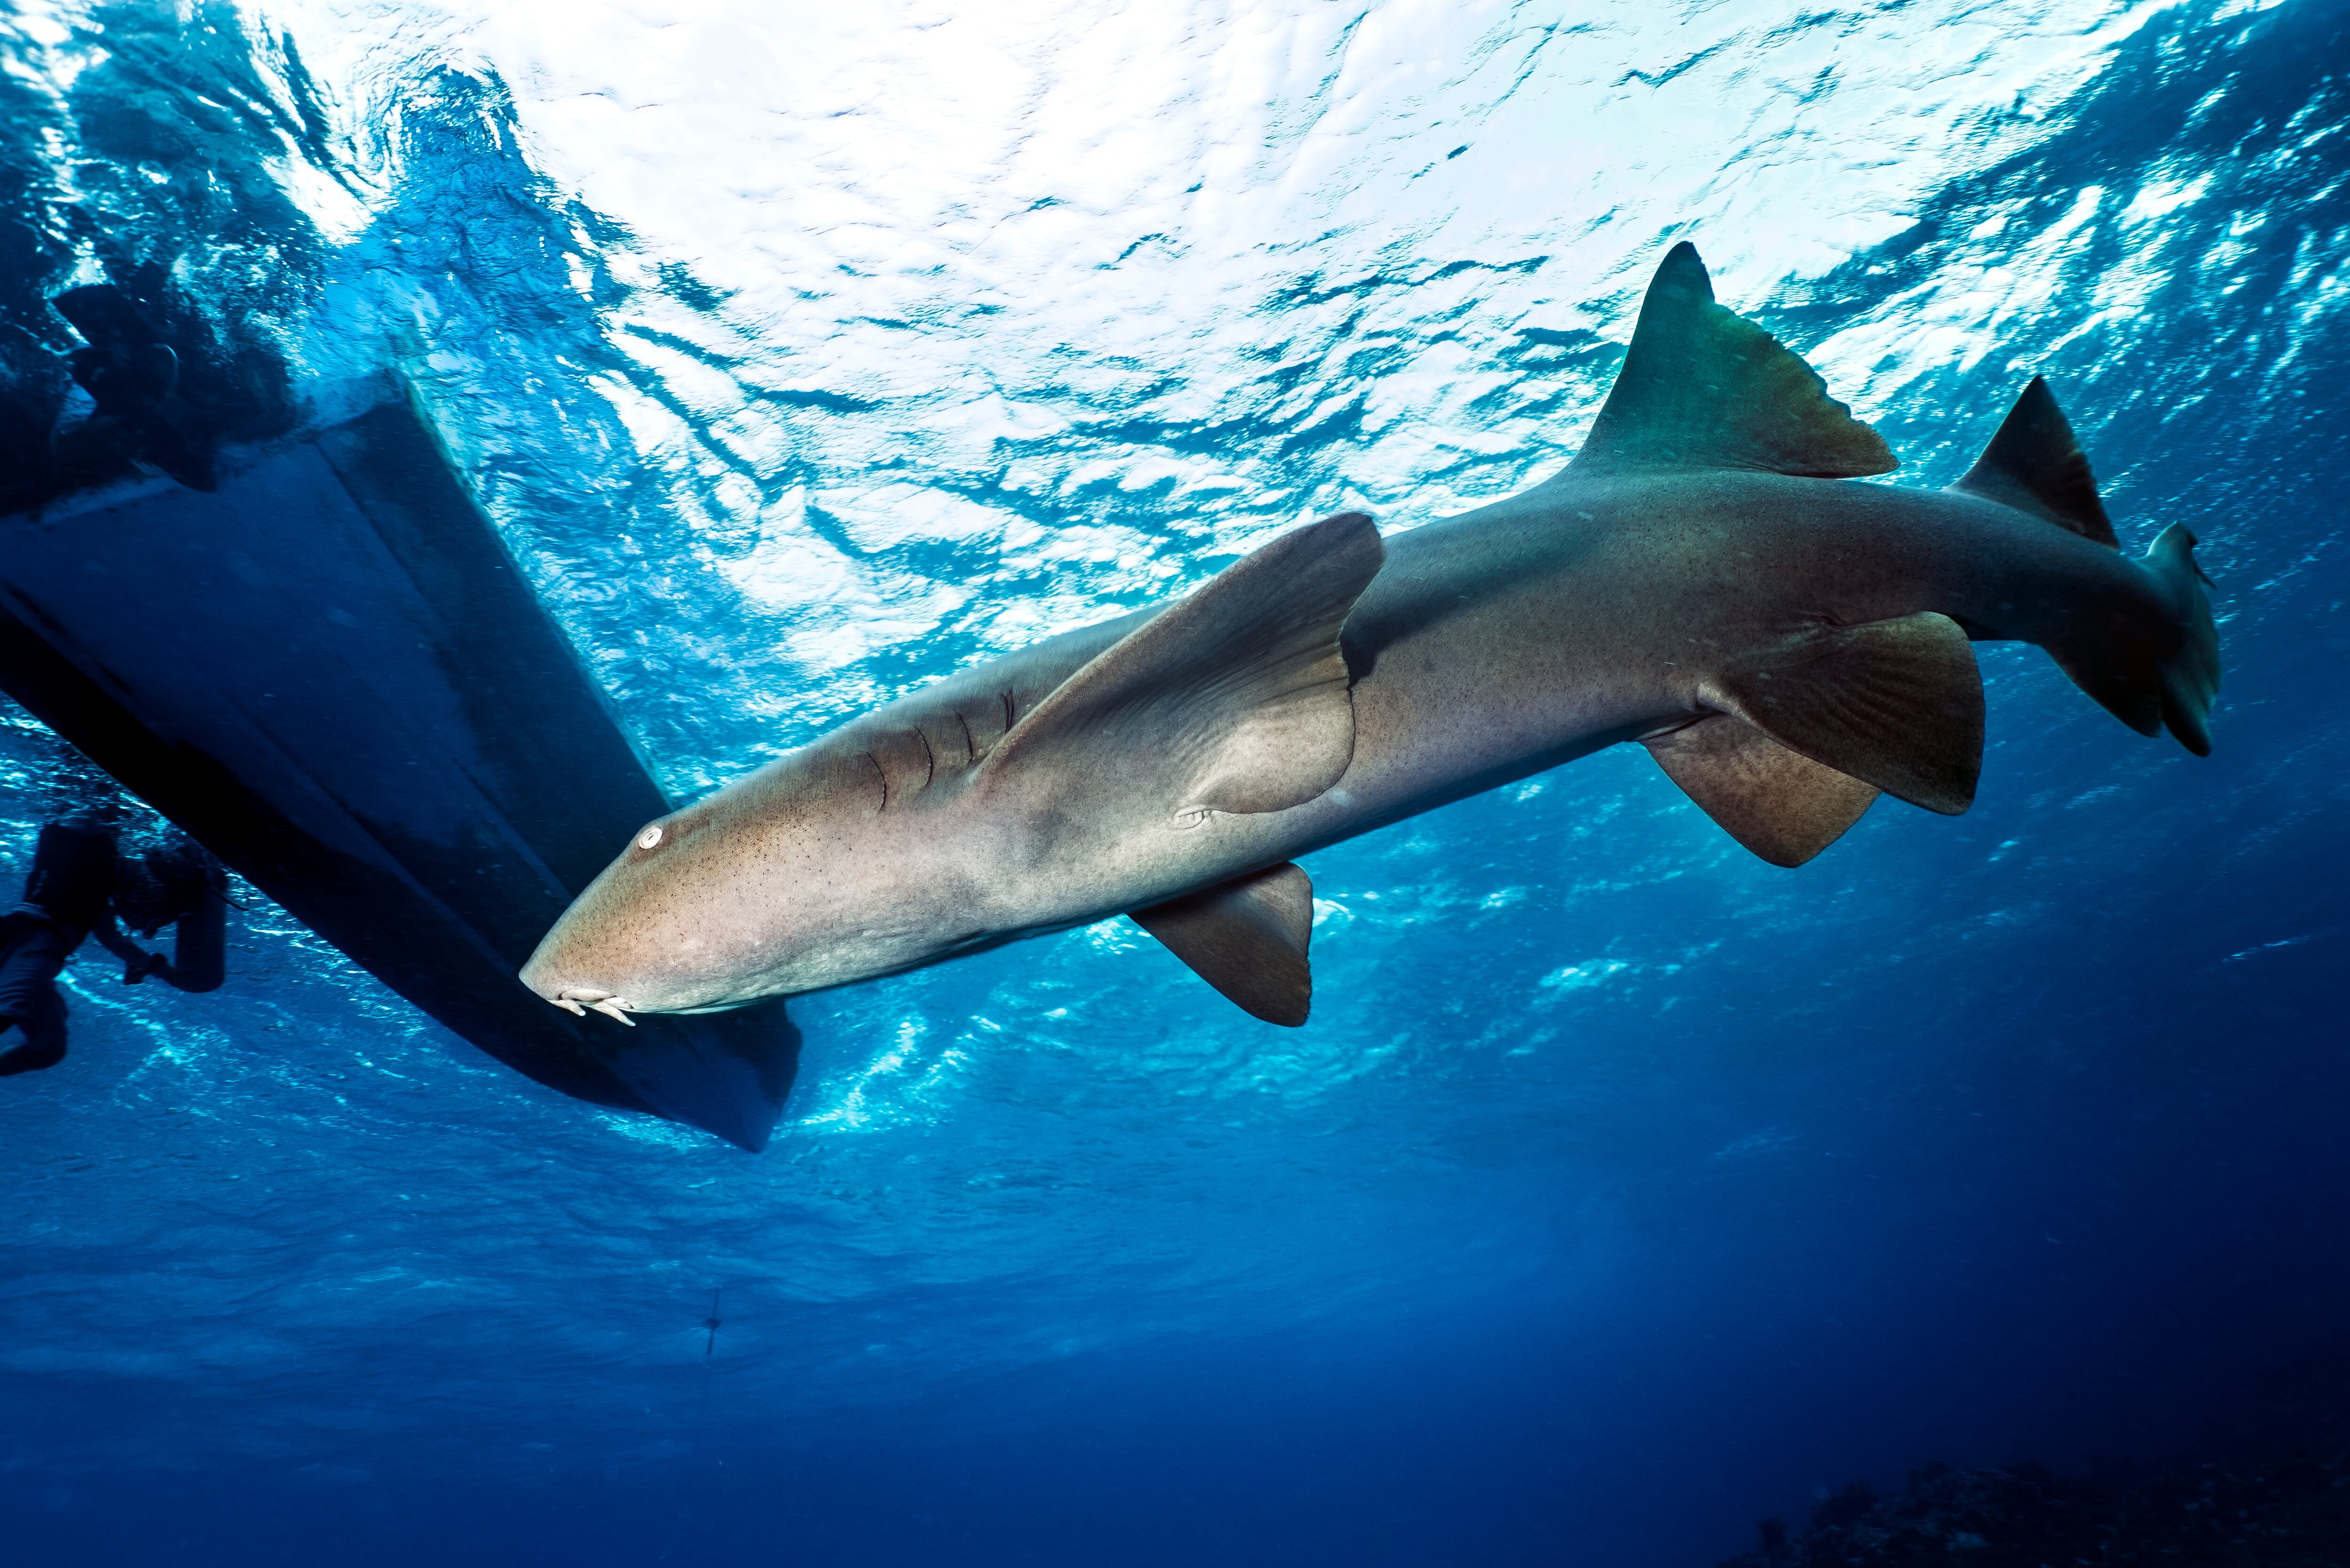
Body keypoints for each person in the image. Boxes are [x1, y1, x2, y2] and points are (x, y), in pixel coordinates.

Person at [0, 813, 226, 1077]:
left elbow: (112, 939)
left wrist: (153, 966)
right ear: (151, 884)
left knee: (49, 1049)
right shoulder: (95, 857)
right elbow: (78, 822)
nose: (150, 930)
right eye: (162, 909)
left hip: (35, 942)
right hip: (30, 943)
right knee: (12, 1009)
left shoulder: (99, 890)